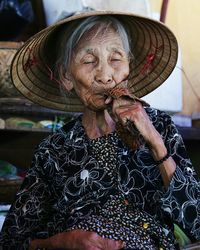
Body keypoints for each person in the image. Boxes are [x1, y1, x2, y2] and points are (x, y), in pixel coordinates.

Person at [0, 11, 200, 250]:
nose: (105, 76)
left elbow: (195, 222)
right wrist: (63, 241)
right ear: (66, 77)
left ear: (130, 66)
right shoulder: (53, 151)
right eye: (88, 61)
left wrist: (156, 142)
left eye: (115, 59)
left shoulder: (160, 127)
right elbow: (11, 240)